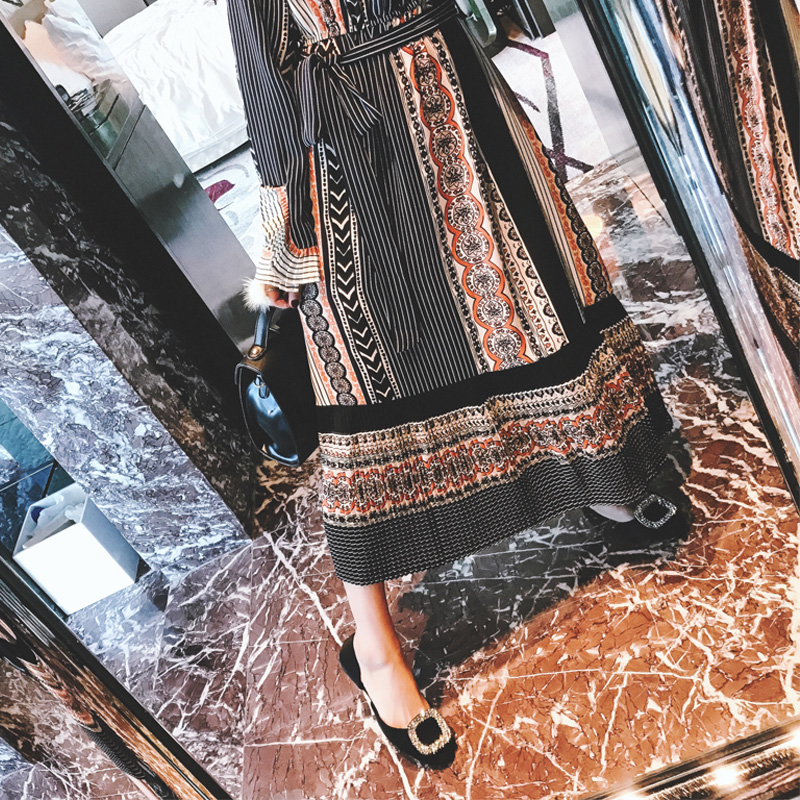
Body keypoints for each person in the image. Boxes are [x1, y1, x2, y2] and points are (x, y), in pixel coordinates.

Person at [228, 0, 677, 769]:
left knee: (534, 305)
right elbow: (261, 58)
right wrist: (283, 229)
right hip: (347, 147)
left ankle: (596, 477)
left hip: (456, 89)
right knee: (362, 383)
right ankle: (374, 646)